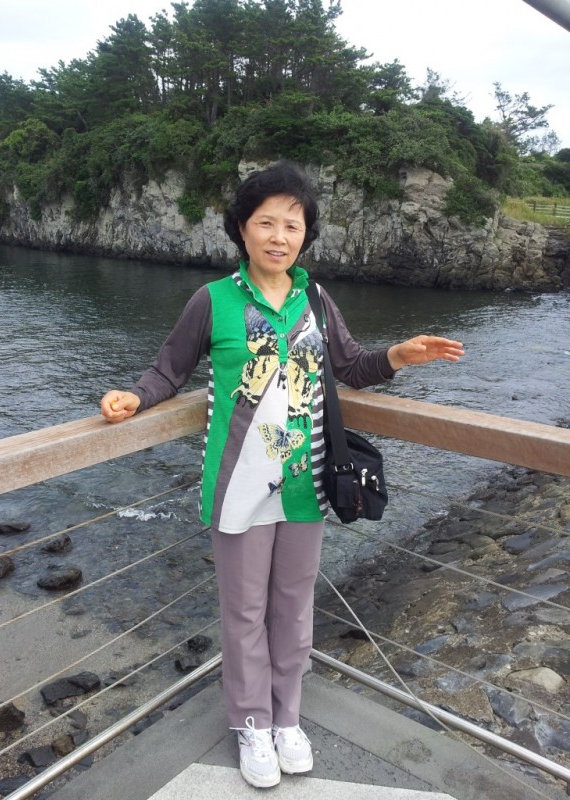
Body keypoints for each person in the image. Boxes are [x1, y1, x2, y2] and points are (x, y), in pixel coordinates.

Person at [100, 162, 464, 789]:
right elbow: (169, 370)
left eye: (292, 226)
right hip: (238, 484)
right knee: (243, 611)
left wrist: (399, 356)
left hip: (307, 483)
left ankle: (286, 718)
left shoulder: (315, 299)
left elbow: (351, 366)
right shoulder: (213, 301)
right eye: (265, 222)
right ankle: (251, 722)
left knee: (294, 609)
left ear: (305, 235)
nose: (278, 236)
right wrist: (134, 396)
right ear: (241, 228)